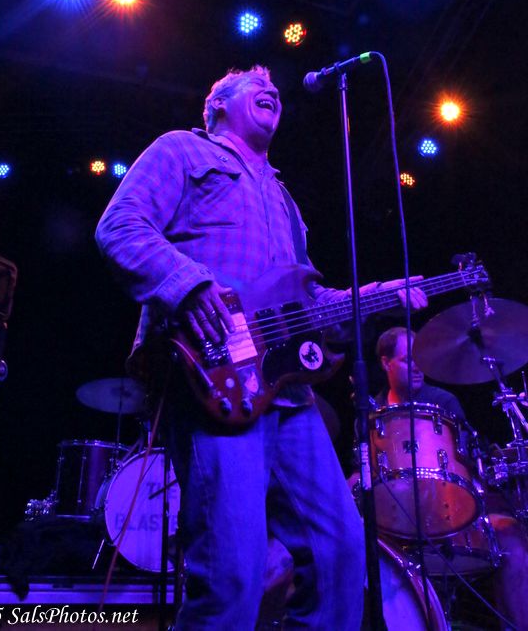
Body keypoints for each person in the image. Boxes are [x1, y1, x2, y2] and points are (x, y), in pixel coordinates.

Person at [95, 65, 427, 630]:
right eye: (255, 83)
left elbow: (307, 299)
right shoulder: (182, 150)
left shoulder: (283, 198)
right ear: (219, 106)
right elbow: (120, 226)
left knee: (342, 552)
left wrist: (377, 296)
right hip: (213, 377)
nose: (271, 88)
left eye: (274, 88)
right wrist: (187, 282)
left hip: (286, 393)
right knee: (233, 572)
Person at [374, 325, 528, 631]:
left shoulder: (443, 402)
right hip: (395, 527)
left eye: (420, 358)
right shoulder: (372, 413)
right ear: (385, 363)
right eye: (407, 360)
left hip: (451, 514)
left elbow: (468, 468)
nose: (417, 367)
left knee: (511, 537)